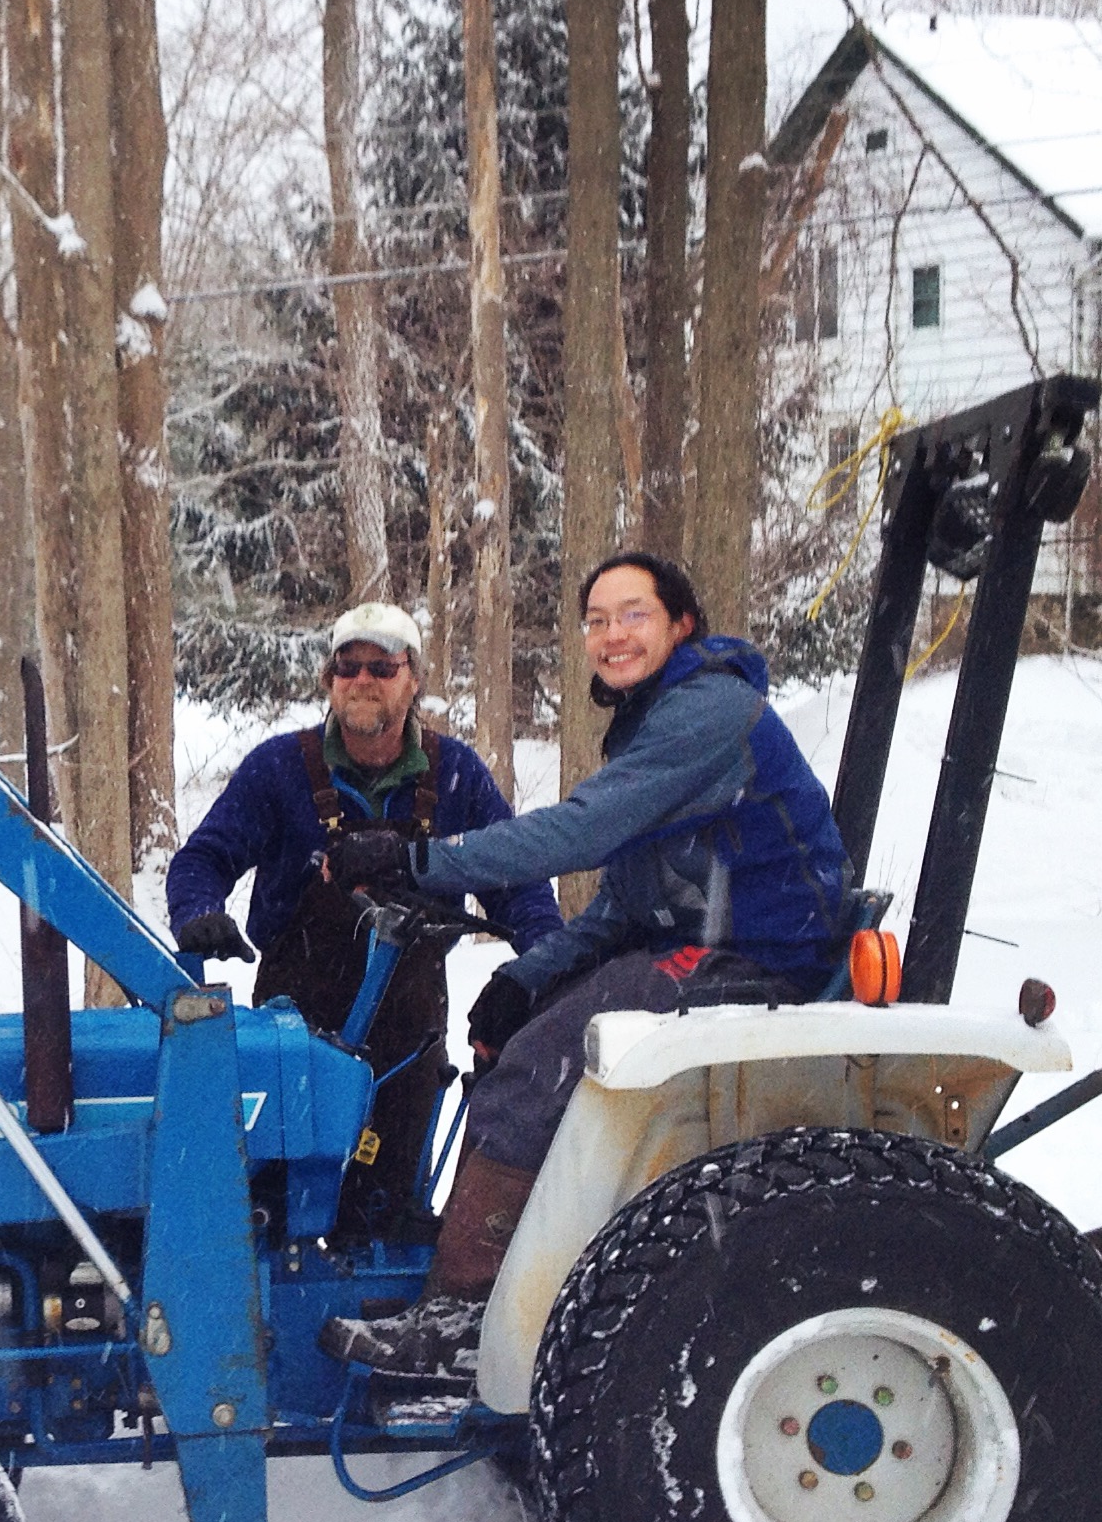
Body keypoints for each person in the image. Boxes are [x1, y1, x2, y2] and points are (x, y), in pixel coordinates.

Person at [319, 550, 854, 1383]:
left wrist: (418, 859)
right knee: (525, 1034)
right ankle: (486, 1272)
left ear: (682, 624)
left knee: (545, 1062)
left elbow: (580, 831)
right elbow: (622, 902)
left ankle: (465, 1315)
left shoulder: (712, 711)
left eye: (633, 614)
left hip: (761, 958)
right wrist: (525, 979)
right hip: (705, 943)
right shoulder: (656, 717)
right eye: (597, 620)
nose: (612, 635)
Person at [166, 602, 561, 1233]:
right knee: (276, 1211)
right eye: (347, 666)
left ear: (413, 681)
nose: (363, 679)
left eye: (382, 665)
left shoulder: (454, 775)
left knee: (386, 1216)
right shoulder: (278, 769)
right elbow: (204, 858)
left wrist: (546, 965)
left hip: (408, 1035)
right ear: (329, 680)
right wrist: (199, 911)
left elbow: (520, 887)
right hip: (292, 1031)